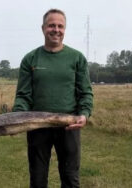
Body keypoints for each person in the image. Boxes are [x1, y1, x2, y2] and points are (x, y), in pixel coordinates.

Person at [12, 9, 93, 188]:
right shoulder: (30, 59)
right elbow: (23, 95)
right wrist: (16, 117)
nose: (56, 30)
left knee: (70, 177)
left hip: (68, 125)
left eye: (60, 26)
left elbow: (85, 92)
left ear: (65, 29)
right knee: (38, 177)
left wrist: (84, 114)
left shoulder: (77, 58)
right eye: (51, 25)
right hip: (37, 125)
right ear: (43, 28)